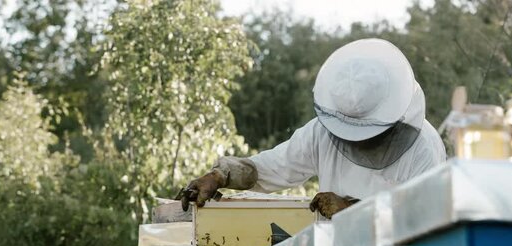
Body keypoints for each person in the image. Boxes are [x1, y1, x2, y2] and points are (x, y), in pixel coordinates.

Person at [180, 38, 446, 218]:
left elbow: (425, 218)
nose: (357, 140)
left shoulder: (423, 147)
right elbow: (273, 167)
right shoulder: (322, 133)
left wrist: (352, 211)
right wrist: (220, 175)